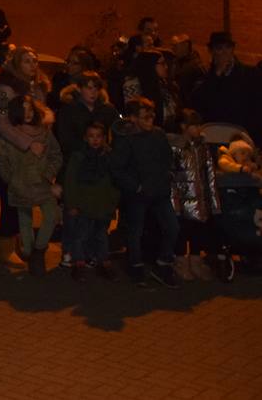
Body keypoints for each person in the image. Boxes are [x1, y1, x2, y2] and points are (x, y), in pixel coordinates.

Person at [111, 96, 180, 288]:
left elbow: (167, 158)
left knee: (172, 227)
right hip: (138, 194)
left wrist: (167, 175)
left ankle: (164, 263)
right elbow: (117, 168)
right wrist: (135, 186)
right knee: (136, 231)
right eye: (145, 117)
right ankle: (135, 265)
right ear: (133, 118)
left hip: (159, 191)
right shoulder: (126, 139)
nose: (150, 120)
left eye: (151, 116)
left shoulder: (158, 134)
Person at [0, 94, 62, 276]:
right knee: (25, 222)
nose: (28, 113)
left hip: (42, 183)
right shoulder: (11, 134)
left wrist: (48, 175)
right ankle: (31, 254)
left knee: (51, 215)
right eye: (24, 110)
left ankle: (38, 251)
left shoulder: (44, 132)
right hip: (20, 185)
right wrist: (12, 178)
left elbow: (56, 155)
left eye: (31, 109)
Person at [168, 108, 222, 281]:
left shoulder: (202, 147)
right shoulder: (176, 148)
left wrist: (214, 202)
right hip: (183, 199)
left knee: (198, 231)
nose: (198, 128)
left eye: (199, 125)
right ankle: (181, 262)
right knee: (182, 232)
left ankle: (196, 261)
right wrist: (174, 202)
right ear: (184, 126)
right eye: (194, 125)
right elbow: (171, 176)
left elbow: (210, 175)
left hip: (200, 198)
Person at [61, 121, 118, 282]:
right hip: (84, 204)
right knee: (80, 235)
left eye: (99, 136)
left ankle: (102, 262)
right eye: (91, 136)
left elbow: (113, 182)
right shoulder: (79, 157)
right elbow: (70, 181)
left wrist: (112, 202)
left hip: (102, 204)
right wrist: (72, 204)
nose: (95, 140)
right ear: (85, 138)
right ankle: (79, 264)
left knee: (101, 235)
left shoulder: (107, 157)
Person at [193, 32, 260, 141]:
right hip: (214, 134)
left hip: (242, 135)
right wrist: (216, 75)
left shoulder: (250, 74)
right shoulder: (203, 74)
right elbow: (198, 102)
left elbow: (257, 107)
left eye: (228, 48)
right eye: (219, 49)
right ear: (212, 51)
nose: (225, 53)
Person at [55, 72, 119, 161]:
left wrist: (109, 149)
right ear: (79, 89)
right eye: (89, 88)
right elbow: (65, 139)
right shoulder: (69, 110)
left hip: (103, 159)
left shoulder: (108, 110)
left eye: (96, 88)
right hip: (77, 159)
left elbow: (118, 131)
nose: (93, 91)